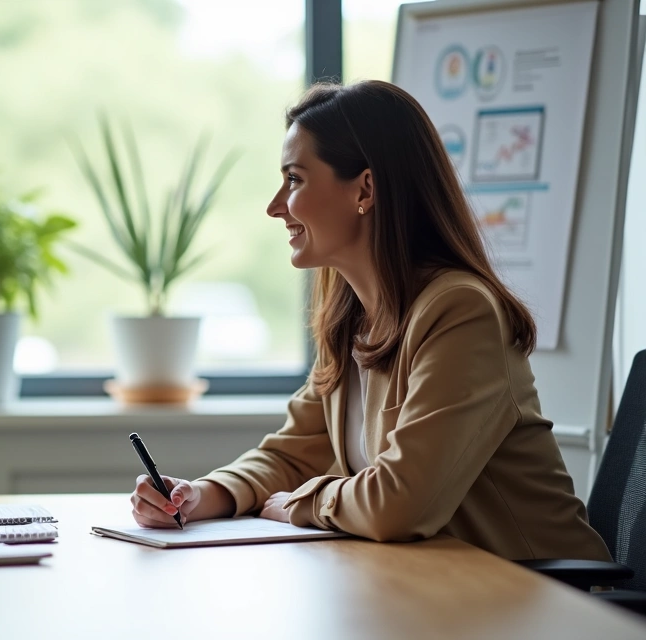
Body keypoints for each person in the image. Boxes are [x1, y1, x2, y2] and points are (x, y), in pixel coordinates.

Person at [129, 80, 610, 561]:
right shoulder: (351, 317)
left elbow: (399, 503)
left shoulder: (461, 312)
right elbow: (292, 453)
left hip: (542, 596)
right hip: (436, 591)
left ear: (365, 188)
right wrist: (200, 496)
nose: (276, 206)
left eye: (295, 179)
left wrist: (298, 503)